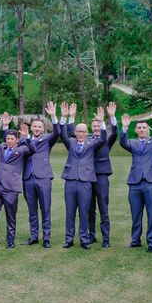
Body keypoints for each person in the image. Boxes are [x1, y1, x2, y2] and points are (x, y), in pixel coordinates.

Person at [3, 103, 59, 249]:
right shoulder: (23, 141)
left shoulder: (48, 139)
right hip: (28, 178)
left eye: (39, 127)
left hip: (44, 178)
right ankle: (34, 236)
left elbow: (58, 132)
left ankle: (46, 237)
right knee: (32, 209)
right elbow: (7, 142)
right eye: (35, 126)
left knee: (45, 209)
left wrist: (53, 115)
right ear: (31, 127)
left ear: (43, 128)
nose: (37, 129)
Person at [67, 103, 118, 248]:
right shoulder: (86, 139)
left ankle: (106, 239)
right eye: (94, 126)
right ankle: (91, 235)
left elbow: (114, 132)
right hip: (86, 177)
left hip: (101, 176)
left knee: (103, 208)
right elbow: (72, 134)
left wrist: (110, 117)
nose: (96, 128)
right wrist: (71, 117)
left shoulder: (107, 138)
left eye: (98, 125)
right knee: (89, 208)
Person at [119, 108, 152, 253]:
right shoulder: (132, 143)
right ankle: (135, 241)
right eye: (139, 128)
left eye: (144, 128)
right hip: (135, 182)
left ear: (148, 130)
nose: (141, 130)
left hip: (151, 182)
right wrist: (125, 128)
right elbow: (122, 143)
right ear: (136, 130)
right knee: (136, 214)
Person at [59, 103, 107, 250]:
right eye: (78, 131)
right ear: (76, 132)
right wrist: (66, 117)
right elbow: (62, 133)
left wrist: (101, 122)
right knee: (70, 212)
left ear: (87, 133)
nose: (80, 133)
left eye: (83, 131)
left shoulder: (92, 144)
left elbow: (103, 139)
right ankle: (69, 239)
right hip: (70, 180)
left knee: (84, 212)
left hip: (86, 181)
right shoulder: (71, 143)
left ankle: (84, 239)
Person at [0, 125, 36, 249]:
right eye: (7, 138)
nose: (9, 140)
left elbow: (33, 150)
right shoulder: (0, 148)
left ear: (16, 140)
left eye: (11, 139)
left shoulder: (22, 150)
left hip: (11, 187)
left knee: (10, 216)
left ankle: (10, 241)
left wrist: (27, 137)